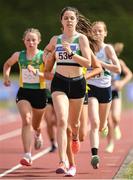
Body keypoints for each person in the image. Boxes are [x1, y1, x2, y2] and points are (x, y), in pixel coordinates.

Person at [43, 6, 93, 175]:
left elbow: (87, 63)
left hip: (78, 83)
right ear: (61, 21)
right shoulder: (56, 39)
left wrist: (71, 53)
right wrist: (47, 56)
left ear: (76, 21)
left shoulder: (82, 39)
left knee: (74, 125)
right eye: (66, 18)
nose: (69, 20)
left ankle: (74, 138)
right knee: (62, 121)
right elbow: (47, 52)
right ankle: (64, 161)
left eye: (72, 18)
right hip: (60, 82)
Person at [3, 28, 48, 166]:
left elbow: (50, 74)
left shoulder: (43, 56)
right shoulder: (19, 55)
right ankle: (28, 155)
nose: (31, 42)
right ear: (24, 41)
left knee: (36, 124)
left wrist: (37, 73)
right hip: (24, 92)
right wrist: (6, 77)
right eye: (28, 40)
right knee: (27, 120)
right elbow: (7, 64)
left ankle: (38, 133)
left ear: (39, 41)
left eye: (34, 40)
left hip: (40, 93)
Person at [86, 21, 121, 169]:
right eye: (94, 31)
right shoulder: (87, 48)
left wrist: (102, 64)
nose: (97, 33)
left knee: (101, 125)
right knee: (93, 122)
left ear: (105, 33)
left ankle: (105, 124)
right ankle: (94, 155)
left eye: (100, 31)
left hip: (106, 88)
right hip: (91, 87)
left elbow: (118, 69)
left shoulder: (108, 49)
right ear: (90, 33)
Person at [105, 42, 133, 153]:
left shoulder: (119, 62)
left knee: (115, 117)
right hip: (104, 92)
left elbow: (129, 74)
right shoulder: (101, 61)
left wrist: (121, 83)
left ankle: (116, 126)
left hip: (115, 92)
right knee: (108, 120)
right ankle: (110, 143)